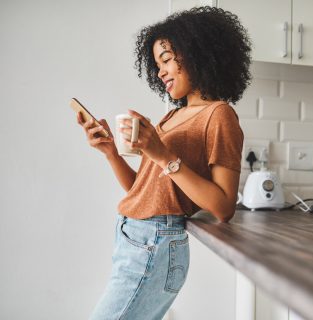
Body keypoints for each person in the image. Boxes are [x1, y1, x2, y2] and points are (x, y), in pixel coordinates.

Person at [76, 6, 251, 320]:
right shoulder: (172, 116)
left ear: (199, 54)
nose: (160, 72)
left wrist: (162, 154)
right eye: (157, 65)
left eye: (168, 59)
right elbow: (141, 191)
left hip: (154, 241)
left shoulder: (219, 114)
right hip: (133, 236)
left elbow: (223, 207)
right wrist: (111, 153)